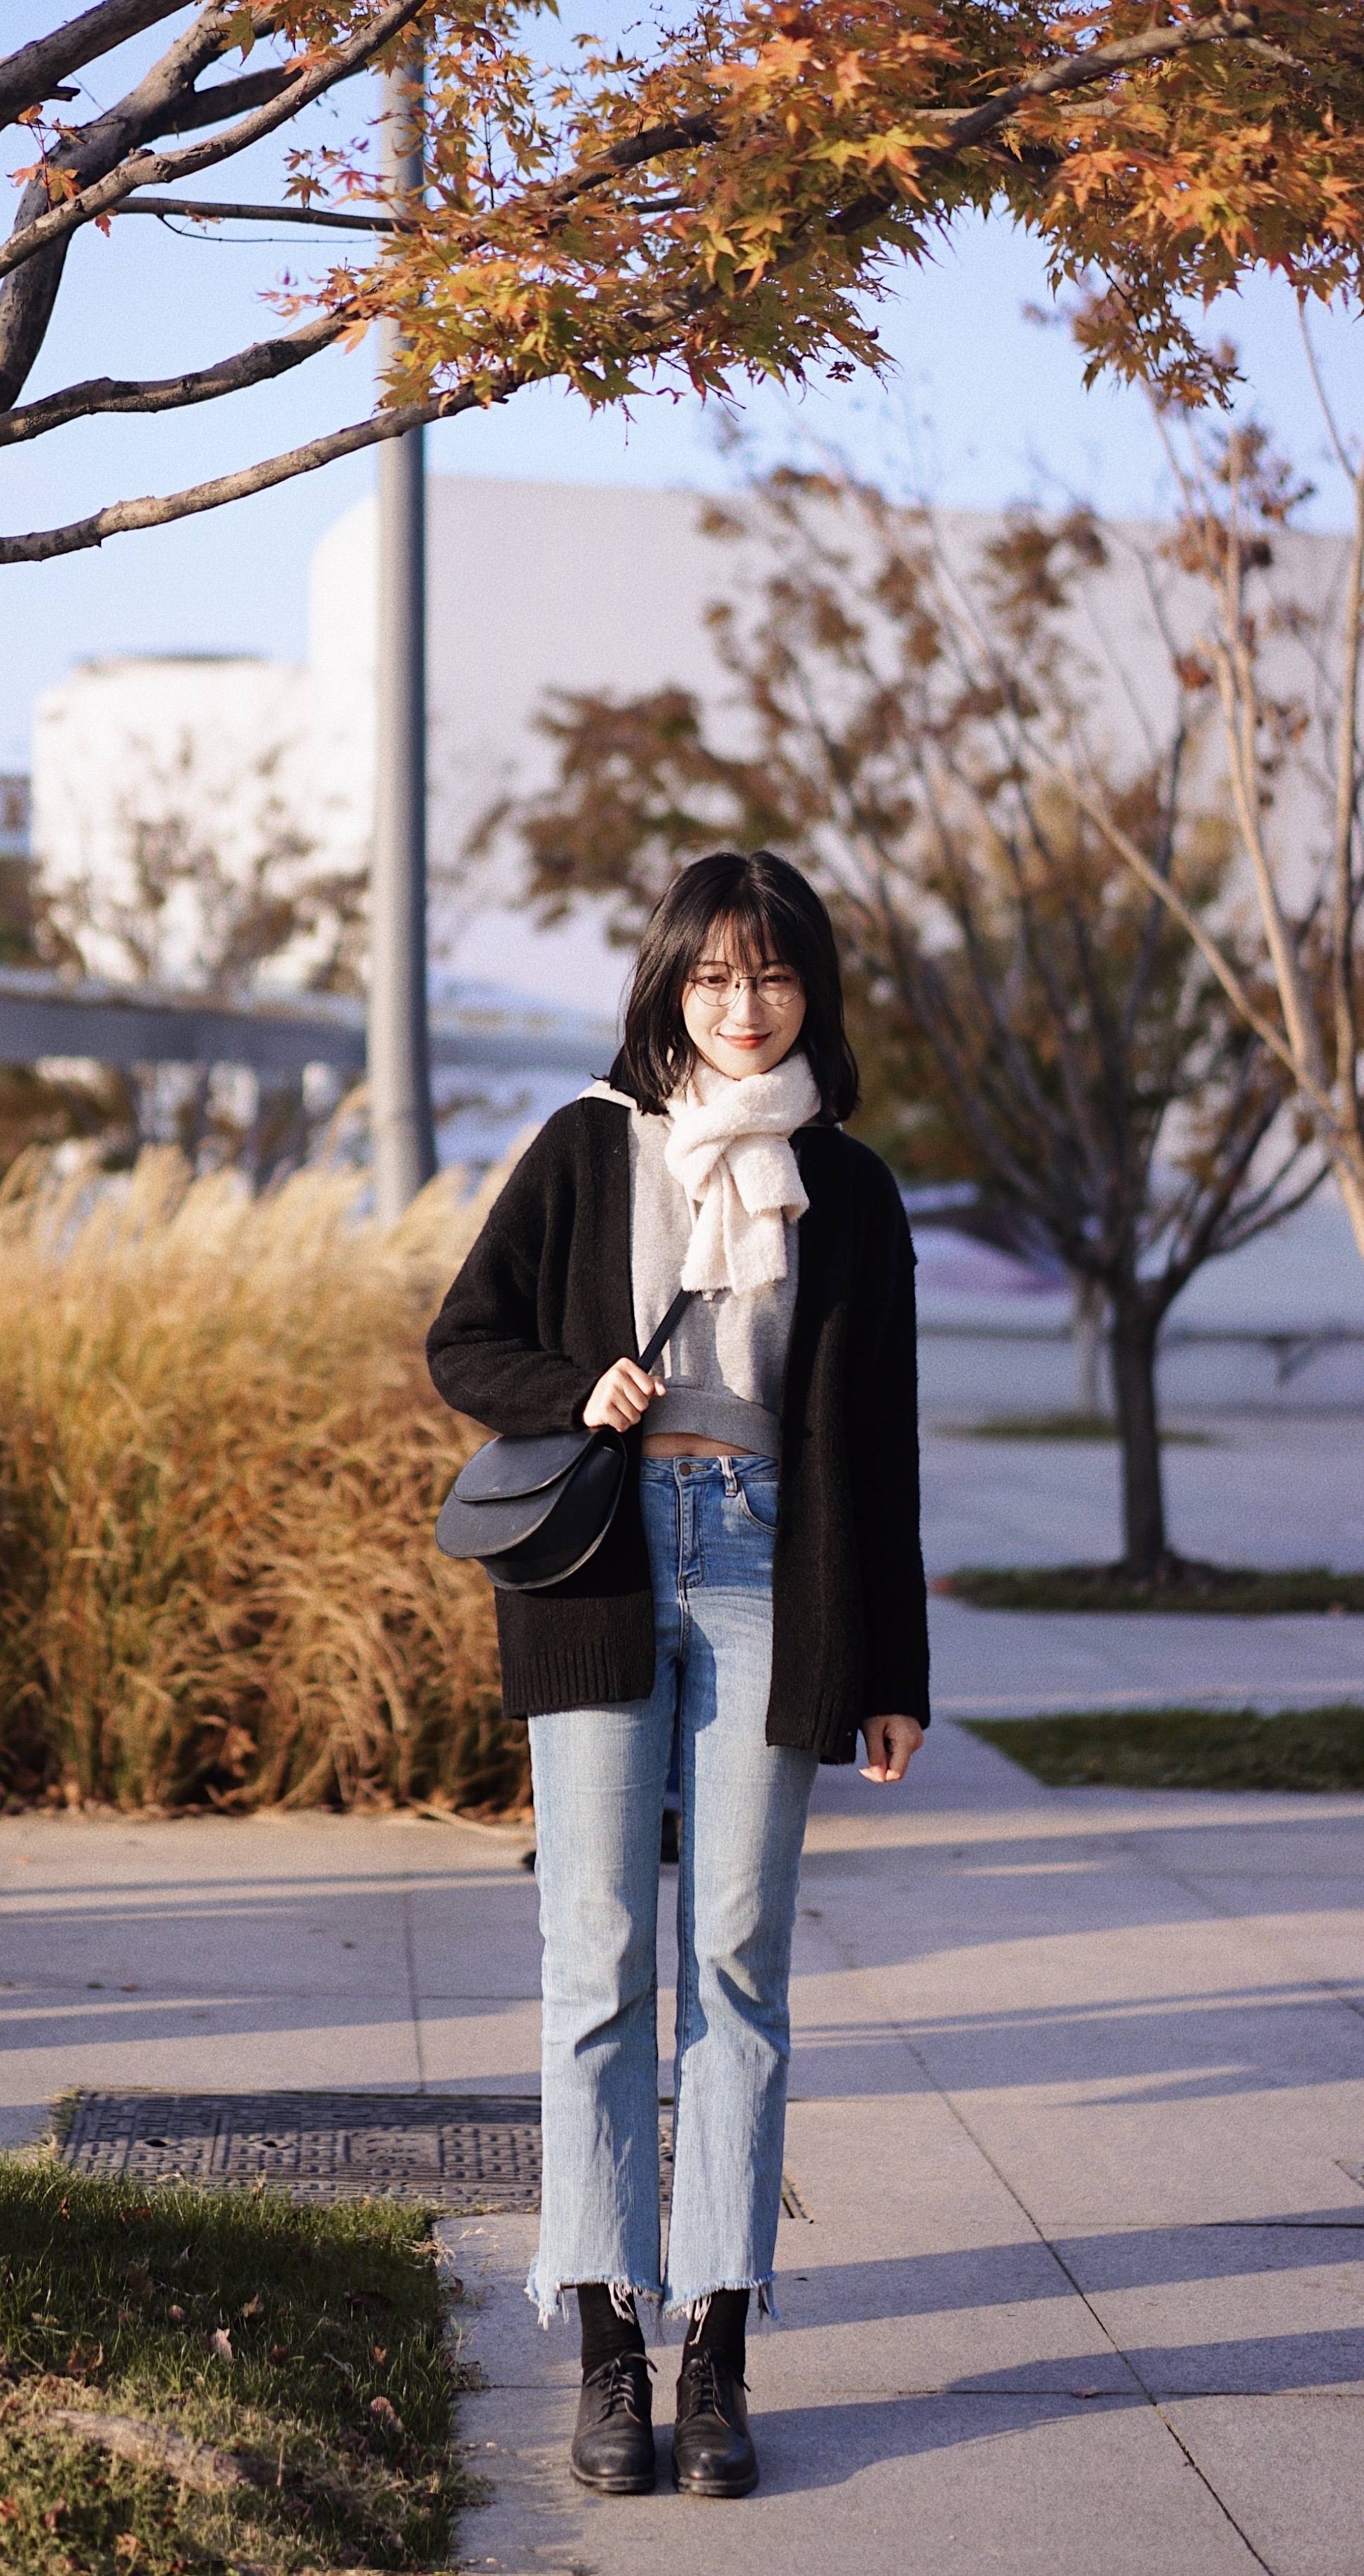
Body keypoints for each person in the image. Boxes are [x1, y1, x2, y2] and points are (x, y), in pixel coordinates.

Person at [427, 850, 928, 2500]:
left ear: (809, 993)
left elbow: (879, 1447)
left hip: (771, 1562)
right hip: (602, 1558)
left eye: (771, 975)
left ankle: (715, 2339)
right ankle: (603, 2345)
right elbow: (463, 1340)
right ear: (667, 987)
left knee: (733, 1953)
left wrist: (891, 1666)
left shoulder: (845, 1187)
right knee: (594, 1948)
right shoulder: (588, 1144)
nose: (740, 1002)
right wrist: (584, 1388)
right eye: (712, 975)